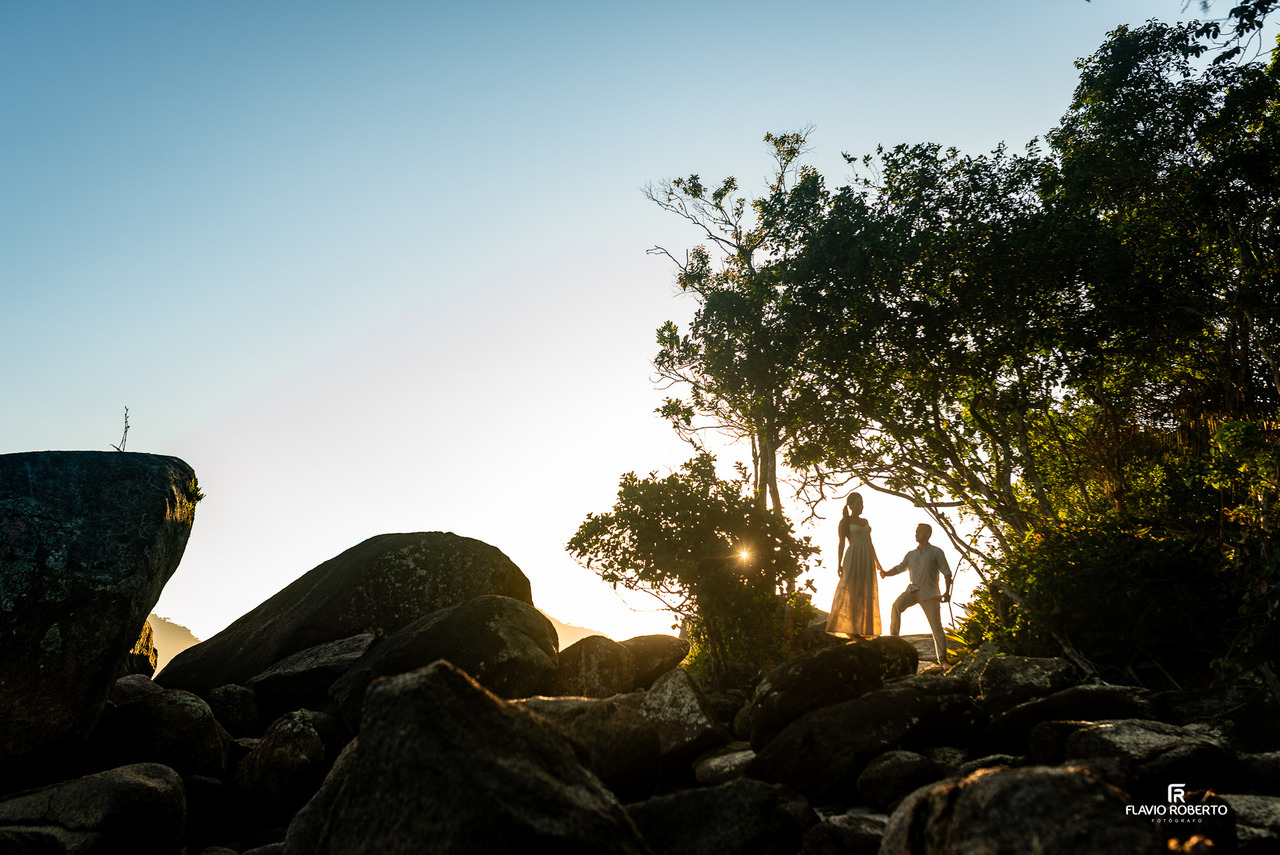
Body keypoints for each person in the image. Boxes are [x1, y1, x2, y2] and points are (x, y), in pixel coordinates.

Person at [880, 523, 953, 665]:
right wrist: (885, 573)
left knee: (936, 627)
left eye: (919, 531)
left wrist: (947, 592)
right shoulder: (911, 554)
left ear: (928, 534)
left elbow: (947, 573)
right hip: (912, 591)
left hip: (930, 595)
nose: (916, 533)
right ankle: (894, 638)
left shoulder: (936, 552)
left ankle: (943, 660)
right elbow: (900, 568)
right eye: (916, 531)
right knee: (896, 606)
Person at [825, 492, 882, 637]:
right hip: (853, 556)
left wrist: (877, 563)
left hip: (866, 557)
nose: (860, 506)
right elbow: (841, 543)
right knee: (852, 590)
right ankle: (851, 629)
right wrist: (839, 564)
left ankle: (864, 628)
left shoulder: (865, 521)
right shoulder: (845, 522)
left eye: (862, 503)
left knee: (865, 591)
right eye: (857, 504)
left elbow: (870, 542)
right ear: (850, 506)